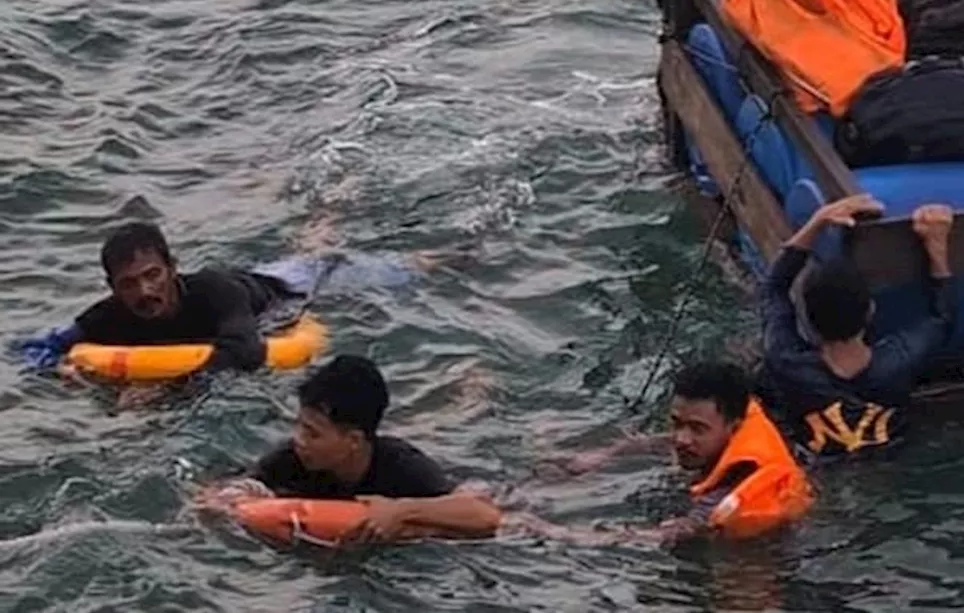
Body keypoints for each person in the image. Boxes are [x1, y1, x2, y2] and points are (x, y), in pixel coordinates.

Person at [14, 220, 462, 408]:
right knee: (312, 246)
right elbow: (41, 348)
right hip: (260, 281)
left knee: (404, 271)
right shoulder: (109, 315)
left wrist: (163, 388)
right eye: (129, 283)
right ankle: (321, 225)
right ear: (113, 287)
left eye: (154, 275)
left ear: (173, 268)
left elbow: (245, 352)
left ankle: (460, 251)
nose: (145, 290)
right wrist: (68, 372)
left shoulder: (211, 290)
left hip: (291, 292)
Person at [195, 354, 501, 543]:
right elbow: (236, 488)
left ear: (353, 441)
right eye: (299, 424)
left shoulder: (400, 466)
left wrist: (401, 510)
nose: (299, 438)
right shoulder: (291, 459)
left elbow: (484, 515)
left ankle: (470, 392)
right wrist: (227, 501)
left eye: (312, 433)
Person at [756, 194, 956, 460]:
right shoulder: (900, 361)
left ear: (807, 316)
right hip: (890, 464)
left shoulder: (786, 362)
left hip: (818, 467)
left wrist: (818, 220)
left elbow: (773, 289)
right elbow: (942, 318)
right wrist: (937, 244)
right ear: (870, 311)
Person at [542, 361, 813, 546]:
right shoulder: (728, 426)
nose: (681, 439)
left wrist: (550, 531)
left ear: (735, 427)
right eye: (676, 423)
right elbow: (667, 441)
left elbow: (656, 536)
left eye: (697, 429)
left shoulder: (730, 491)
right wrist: (604, 454)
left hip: (765, 554)